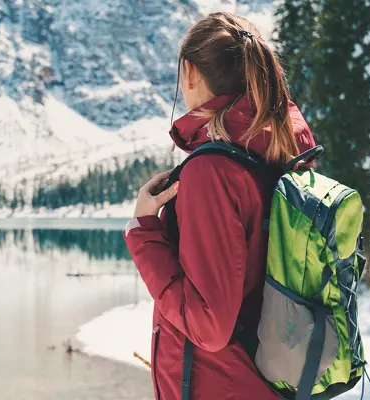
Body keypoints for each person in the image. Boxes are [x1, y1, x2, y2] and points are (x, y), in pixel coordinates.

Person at [124, 11, 318, 400]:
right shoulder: (278, 154)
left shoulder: (212, 171)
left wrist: (144, 233)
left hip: (225, 387)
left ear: (192, 73)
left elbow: (209, 326)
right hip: (267, 383)